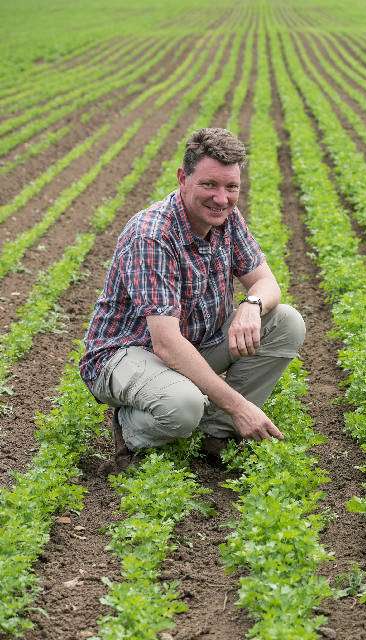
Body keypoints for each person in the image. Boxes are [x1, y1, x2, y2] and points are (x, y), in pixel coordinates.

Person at [80, 128, 305, 473]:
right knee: (182, 405)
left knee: (285, 321)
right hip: (126, 353)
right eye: (209, 185)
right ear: (183, 179)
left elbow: (265, 282)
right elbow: (167, 345)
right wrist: (240, 406)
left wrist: (251, 305)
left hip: (193, 345)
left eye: (231, 187)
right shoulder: (152, 236)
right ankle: (130, 431)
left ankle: (215, 435)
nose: (221, 198)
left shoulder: (226, 220)